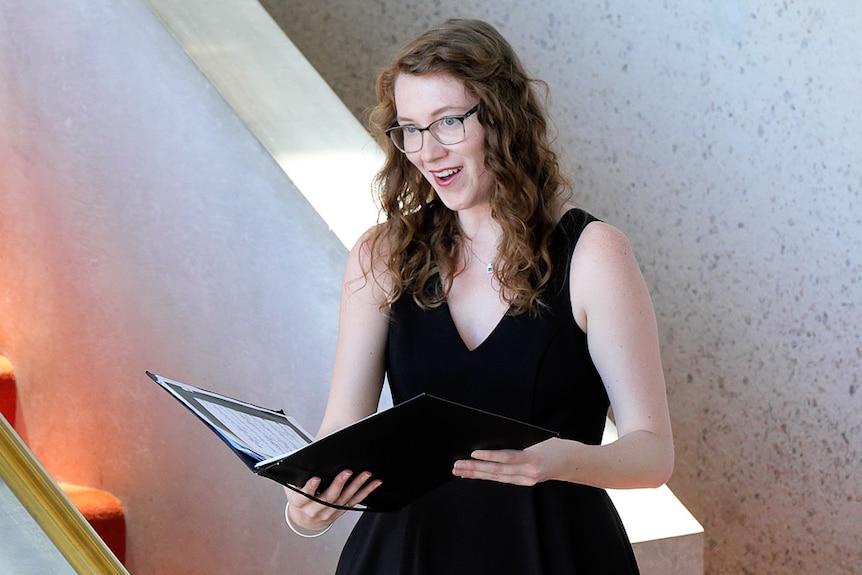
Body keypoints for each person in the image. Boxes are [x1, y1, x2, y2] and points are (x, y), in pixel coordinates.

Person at [283, 18, 674, 574]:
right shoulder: (381, 254)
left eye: (447, 123)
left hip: (555, 553)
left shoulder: (594, 254)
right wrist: (307, 508)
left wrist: (564, 461)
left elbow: (653, 453)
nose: (426, 150)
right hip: (404, 556)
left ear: (502, 118)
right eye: (410, 129)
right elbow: (342, 431)